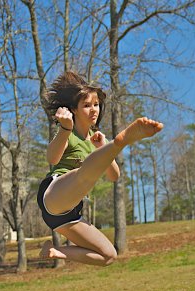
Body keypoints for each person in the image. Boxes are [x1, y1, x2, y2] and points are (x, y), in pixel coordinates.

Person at [37, 71, 163, 266]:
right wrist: (64, 129)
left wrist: (103, 148)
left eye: (96, 104)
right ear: (74, 110)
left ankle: (55, 251)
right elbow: (52, 158)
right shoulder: (68, 132)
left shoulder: (96, 139)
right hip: (53, 195)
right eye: (86, 105)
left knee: (108, 255)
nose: (94, 109)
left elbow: (114, 176)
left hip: (67, 213)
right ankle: (121, 142)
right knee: (84, 175)